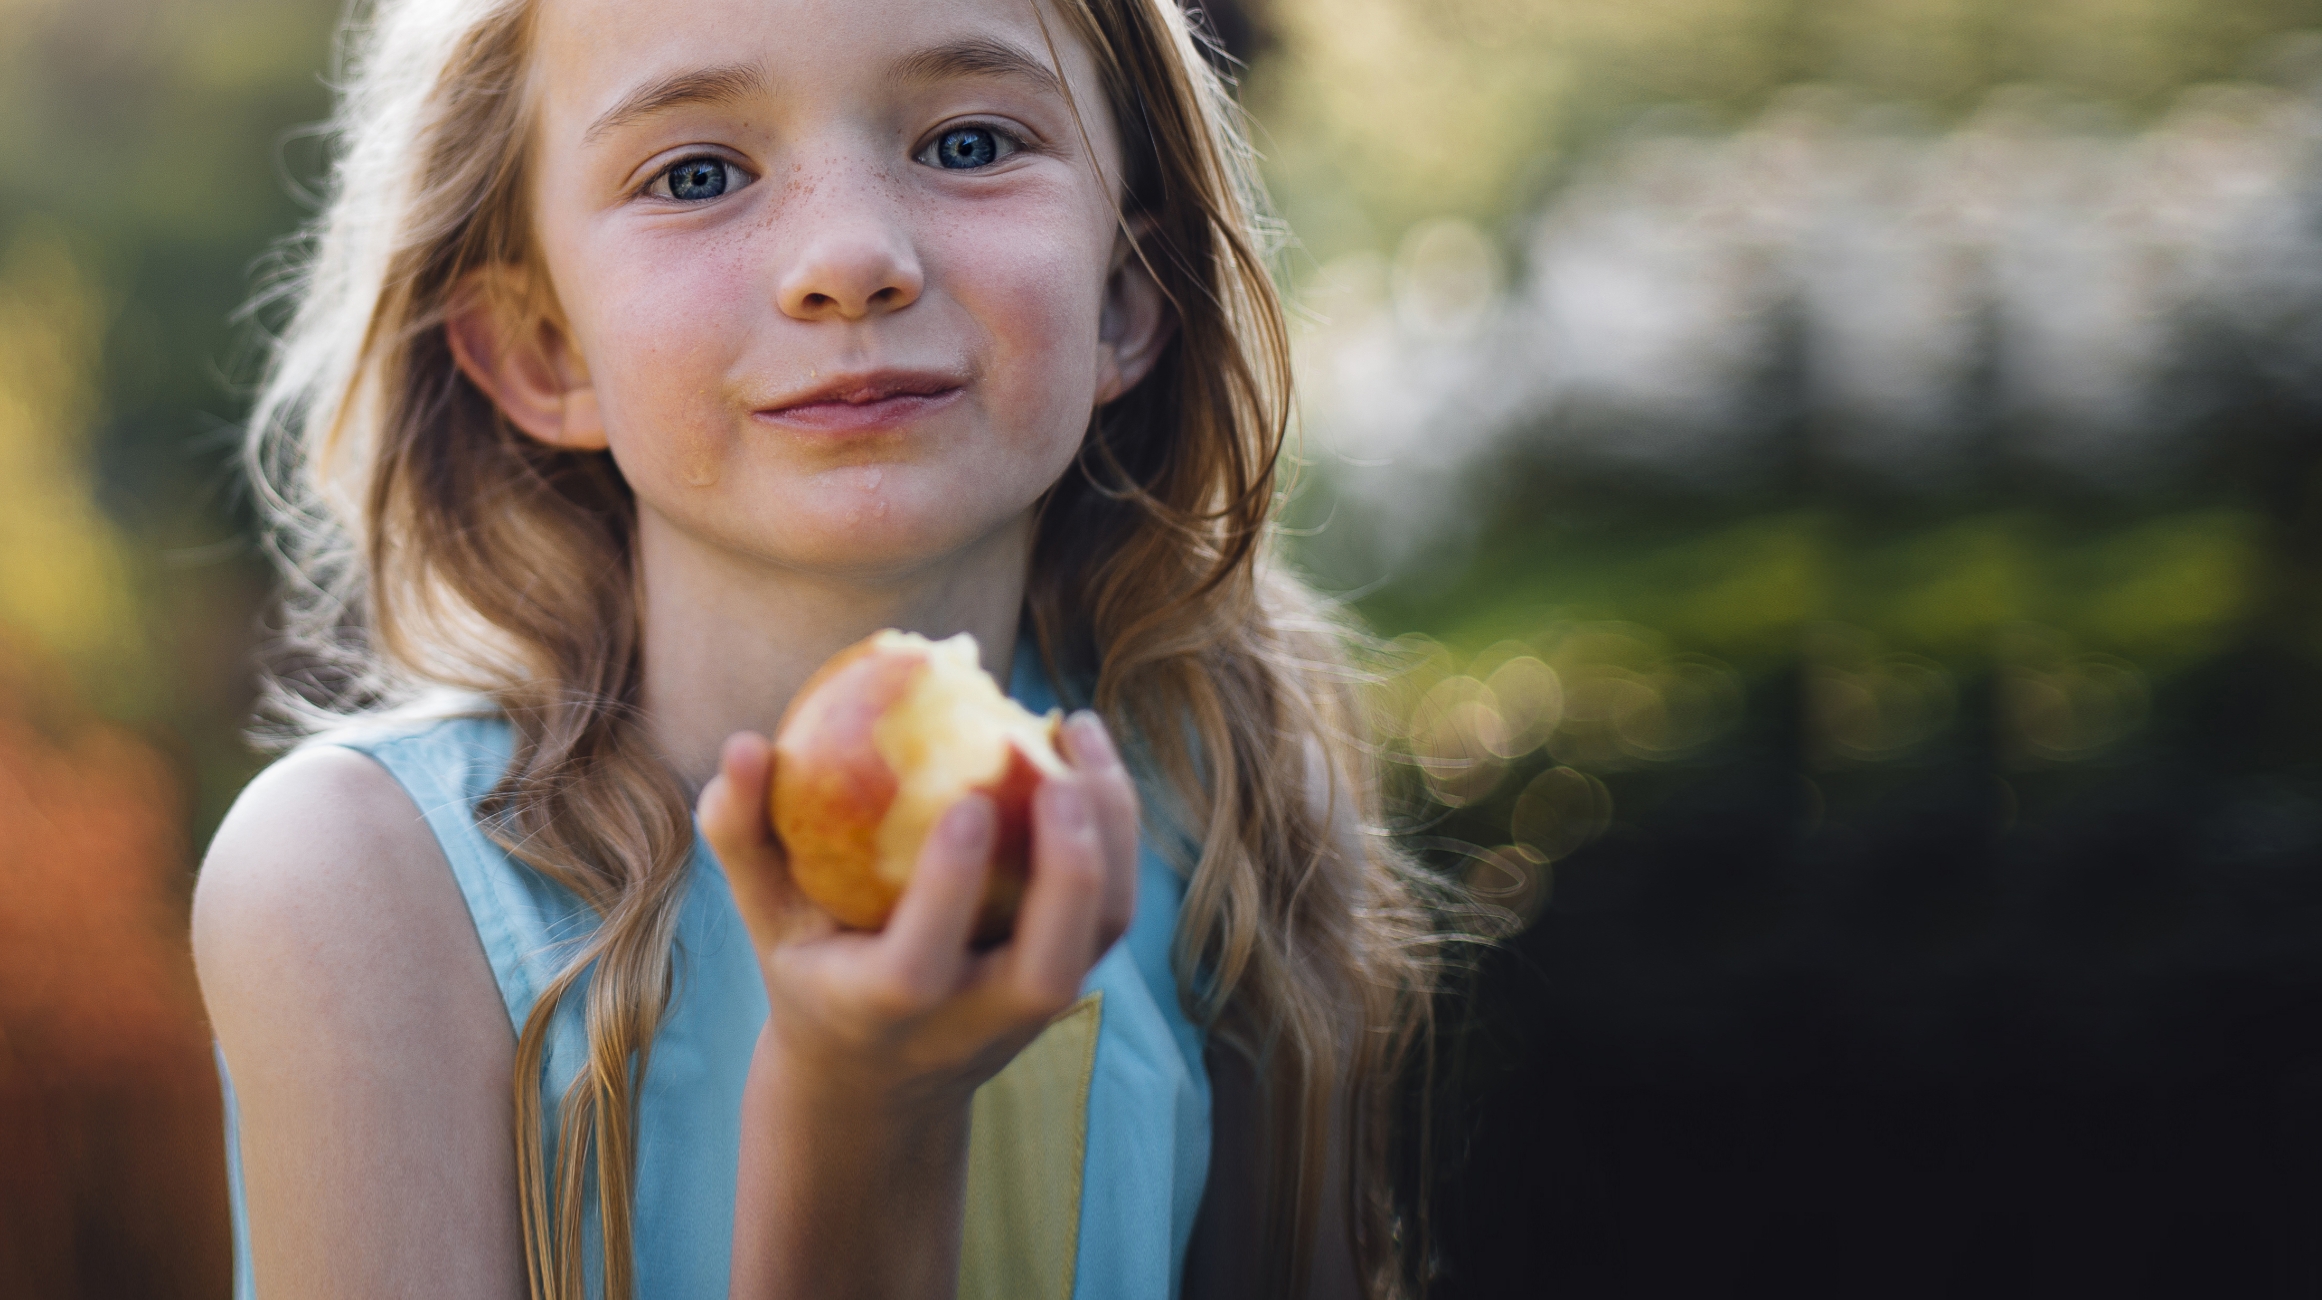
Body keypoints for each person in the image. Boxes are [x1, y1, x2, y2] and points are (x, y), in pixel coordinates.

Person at [192, 0, 1442, 1295]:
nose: (851, 258)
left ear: (1129, 295)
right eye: (697, 174)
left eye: (967, 144)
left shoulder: (1228, 803)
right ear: (543, 347)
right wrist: (859, 1120)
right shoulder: (366, 887)